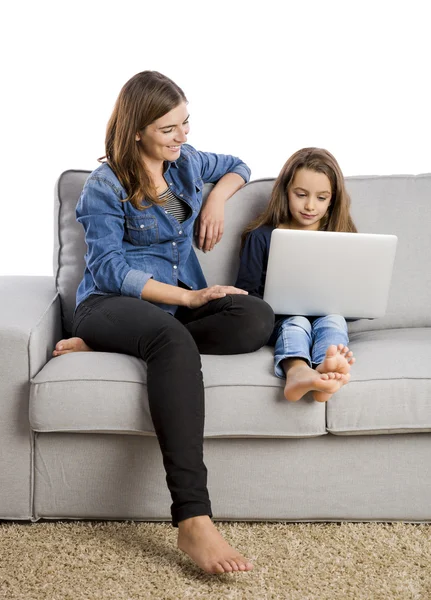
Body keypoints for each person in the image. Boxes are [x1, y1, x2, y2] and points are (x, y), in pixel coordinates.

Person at [53, 70, 274, 574]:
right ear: (136, 129)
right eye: (168, 129)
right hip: (110, 304)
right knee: (172, 340)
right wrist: (191, 297)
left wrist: (216, 197)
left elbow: (238, 165)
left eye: (186, 122)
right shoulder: (104, 186)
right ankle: (193, 518)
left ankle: (120, 346)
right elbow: (109, 267)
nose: (183, 136)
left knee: (254, 317)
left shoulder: (188, 162)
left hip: (172, 313)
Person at [235, 147, 356, 403]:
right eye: (301, 195)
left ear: (333, 199)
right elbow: (246, 296)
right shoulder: (261, 237)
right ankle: (297, 371)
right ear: (285, 192)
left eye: (322, 198)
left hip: (327, 317)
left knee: (334, 320)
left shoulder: (342, 236)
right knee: (297, 321)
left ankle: (326, 368)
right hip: (281, 321)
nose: (310, 206)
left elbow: (354, 299)